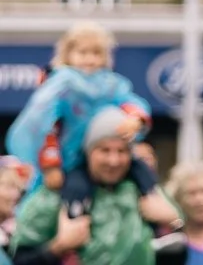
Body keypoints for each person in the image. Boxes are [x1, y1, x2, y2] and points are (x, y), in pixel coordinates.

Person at [5, 23, 169, 223]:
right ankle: (75, 222)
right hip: (72, 159)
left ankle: (159, 218)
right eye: (82, 53)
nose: (90, 59)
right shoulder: (60, 86)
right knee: (76, 187)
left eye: (96, 53)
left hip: (103, 149)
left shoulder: (111, 84)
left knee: (142, 172)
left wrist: (136, 119)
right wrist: (51, 166)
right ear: (68, 55)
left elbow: (131, 102)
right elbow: (46, 126)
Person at [9, 107, 178, 265]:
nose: (114, 161)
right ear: (88, 151)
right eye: (104, 150)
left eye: (122, 151)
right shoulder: (58, 195)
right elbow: (19, 259)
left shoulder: (145, 192)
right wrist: (58, 247)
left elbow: (190, 246)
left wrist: (174, 221)